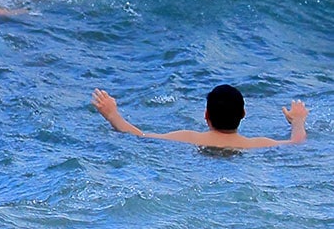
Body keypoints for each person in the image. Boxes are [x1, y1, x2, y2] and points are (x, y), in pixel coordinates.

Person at [91, 85, 309, 149]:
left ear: (206, 116)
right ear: (243, 114)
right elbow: (296, 142)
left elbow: (140, 135)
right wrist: (297, 120)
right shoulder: (256, 144)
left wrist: (112, 114)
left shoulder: (189, 137)